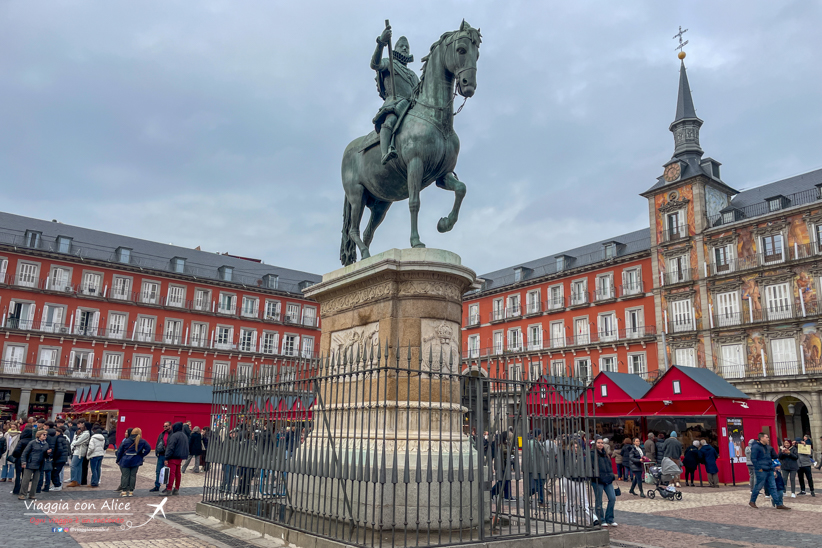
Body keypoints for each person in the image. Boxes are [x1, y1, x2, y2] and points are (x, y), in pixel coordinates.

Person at [370, 24, 419, 165]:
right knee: (390, 120)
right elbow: (375, 64)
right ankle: (385, 153)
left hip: (412, 108)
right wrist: (381, 43)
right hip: (395, 104)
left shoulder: (414, 76)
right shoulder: (389, 63)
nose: (405, 48)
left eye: (407, 47)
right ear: (395, 49)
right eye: (402, 46)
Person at [749, 432, 789, 510]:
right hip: (761, 470)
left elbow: (774, 456)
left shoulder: (768, 447)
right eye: (766, 437)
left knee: (773, 487)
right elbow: (753, 459)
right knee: (758, 486)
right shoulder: (756, 447)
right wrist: (759, 468)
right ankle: (752, 501)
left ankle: (778, 504)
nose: (768, 438)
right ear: (761, 438)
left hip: (769, 469)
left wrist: (780, 452)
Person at [116, 427, 151, 497]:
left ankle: (124, 491)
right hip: (136, 460)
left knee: (125, 476)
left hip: (125, 460)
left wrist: (118, 460)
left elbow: (120, 451)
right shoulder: (142, 441)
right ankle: (131, 491)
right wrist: (141, 455)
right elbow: (148, 448)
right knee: (133, 476)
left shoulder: (126, 441)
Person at [591, 437, 617, 527]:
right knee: (599, 500)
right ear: (595, 444)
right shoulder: (592, 454)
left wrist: (611, 475)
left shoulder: (605, 454)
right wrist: (594, 476)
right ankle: (601, 519)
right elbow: (590, 467)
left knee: (612, 498)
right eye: (598, 443)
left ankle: (610, 518)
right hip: (598, 480)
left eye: (601, 443)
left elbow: (609, 465)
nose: (600, 444)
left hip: (608, 479)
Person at [18, 430, 51, 500]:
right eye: (43, 435)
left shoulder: (46, 444)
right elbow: (25, 453)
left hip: (40, 464)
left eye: (46, 435)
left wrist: (47, 453)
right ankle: (22, 494)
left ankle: (32, 494)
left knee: (36, 480)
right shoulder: (32, 443)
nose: (45, 436)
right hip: (30, 463)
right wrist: (23, 462)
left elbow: (46, 456)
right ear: (39, 435)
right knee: (25, 480)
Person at [162, 422, 189, 495]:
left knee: (172, 473)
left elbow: (170, 447)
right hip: (180, 457)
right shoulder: (184, 435)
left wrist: (167, 457)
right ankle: (176, 488)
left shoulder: (174, 436)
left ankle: (169, 489)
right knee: (178, 473)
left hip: (173, 457)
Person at [11, 421, 36, 495]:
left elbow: (16, 451)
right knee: (26, 476)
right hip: (29, 460)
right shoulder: (33, 441)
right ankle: (24, 489)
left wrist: (16, 456)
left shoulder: (21, 441)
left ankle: (16, 489)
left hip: (19, 459)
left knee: (18, 475)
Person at [66, 419, 89, 488]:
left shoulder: (86, 434)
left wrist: (72, 444)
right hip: (78, 450)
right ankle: (78, 480)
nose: (80, 427)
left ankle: (74, 480)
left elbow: (77, 441)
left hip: (79, 451)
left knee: (73, 465)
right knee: (78, 466)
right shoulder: (81, 433)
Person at [150, 422, 172, 492]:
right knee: (158, 471)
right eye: (164, 426)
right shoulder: (161, 434)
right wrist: (157, 452)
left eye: (166, 426)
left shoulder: (172, 435)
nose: (165, 427)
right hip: (161, 455)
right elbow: (158, 443)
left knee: (168, 472)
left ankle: (167, 487)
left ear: (170, 426)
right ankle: (157, 485)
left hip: (168, 456)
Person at [50, 426, 70, 492]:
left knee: (55, 472)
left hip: (59, 458)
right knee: (56, 472)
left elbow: (59, 449)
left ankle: (57, 485)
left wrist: (55, 457)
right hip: (62, 458)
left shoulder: (58, 439)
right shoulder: (63, 439)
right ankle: (56, 484)